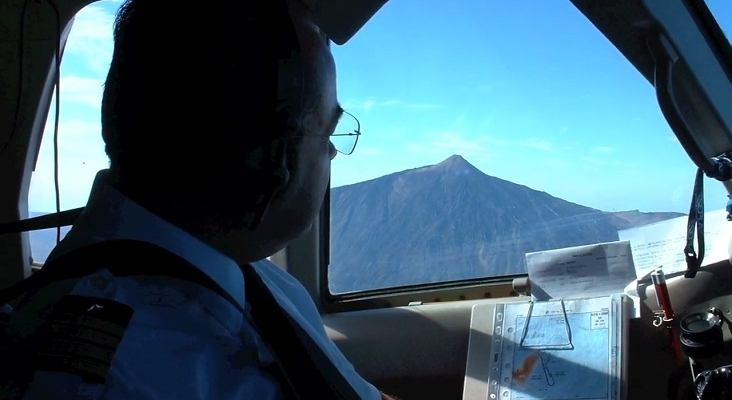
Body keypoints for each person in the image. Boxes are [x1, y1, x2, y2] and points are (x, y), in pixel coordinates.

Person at [0, 0, 400, 398]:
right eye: (328, 132)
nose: (330, 153)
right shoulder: (116, 382)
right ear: (273, 162)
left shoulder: (253, 276)